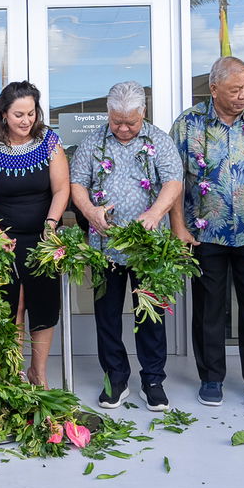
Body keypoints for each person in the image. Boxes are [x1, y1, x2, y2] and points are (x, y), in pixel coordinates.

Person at [170, 56, 244, 410]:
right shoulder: (189, 124)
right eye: (235, 89)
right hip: (204, 233)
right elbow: (174, 180)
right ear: (213, 89)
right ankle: (211, 377)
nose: (243, 96)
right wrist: (178, 225)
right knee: (210, 309)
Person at [68, 81, 184, 411]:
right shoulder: (93, 142)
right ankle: (115, 378)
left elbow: (173, 181)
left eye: (129, 122)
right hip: (105, 246)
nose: (121, 128)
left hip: (149, 247)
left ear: (142, 113)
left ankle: (153, 380)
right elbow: (77, 183)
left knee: (151, 314)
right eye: (116, 120)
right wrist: (90, 211)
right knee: (107, 316)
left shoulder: (158, 140)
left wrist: (155, 213)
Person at [0, 81, 70, 387]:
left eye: (31, 113)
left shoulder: (49, 141)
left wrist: (52, 223)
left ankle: (38, 372)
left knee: (42, 304)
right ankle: (12, 371)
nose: (26, 120)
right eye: (19, 115)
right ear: (3, 115)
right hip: (5, 241)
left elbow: (61, 188)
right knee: (12, 303)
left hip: (42, 239)